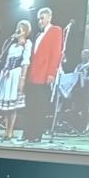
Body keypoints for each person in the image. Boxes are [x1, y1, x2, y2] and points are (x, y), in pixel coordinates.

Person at [22, 8, 65, 143]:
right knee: (30, 105)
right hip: (33, 75)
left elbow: (56, 53)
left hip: (44, 74)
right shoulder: (38, 35)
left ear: (49, 17)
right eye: (38, 19)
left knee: (39, 106)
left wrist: (51, 73)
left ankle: (36, 134)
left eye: (42, 18)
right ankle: (28, 133)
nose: (40, 21)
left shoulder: (55, 30)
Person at [0, 19, 32, 141]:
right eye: (18, 27)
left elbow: (25, 62)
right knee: (7, 106)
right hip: (8, 75)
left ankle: (11, 131)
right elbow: (7, 61)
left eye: (21, 27)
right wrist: (5, 71)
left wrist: (22, 78)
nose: (18, 29)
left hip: (17, 74)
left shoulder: (27, 44)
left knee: (13, 106)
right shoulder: (11, 46)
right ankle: (6, 130)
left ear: (25, 30)